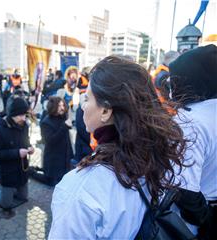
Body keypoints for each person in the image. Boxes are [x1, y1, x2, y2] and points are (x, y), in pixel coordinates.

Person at [48, 56, 188, 239]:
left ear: (105, 111)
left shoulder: (80, 188)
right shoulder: (149, 156)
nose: (83, 105)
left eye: (87, 98)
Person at [169, 44, 217, 238]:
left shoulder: (188, 122)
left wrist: (208, 222)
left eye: (175, 80)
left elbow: (183, 189)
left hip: (192, 225)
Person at [0, 96, 33, 218]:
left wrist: (30, 148)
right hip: (8, 172)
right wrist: (16, 153)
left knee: (23, 197)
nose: (23, 118)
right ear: (12, 115)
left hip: (22, 170)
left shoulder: (24, 126)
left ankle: (1, 187)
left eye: (24, 115)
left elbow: (26, 142)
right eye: (19, 115)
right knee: (6, 204)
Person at [29, 96, 73, 186]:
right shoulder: (46, 122)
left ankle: (38, 169)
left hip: (64, 155)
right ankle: (31, 172)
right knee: (50, 182)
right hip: (53, 157)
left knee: (64, 179)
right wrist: (64, 127)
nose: (62, 108)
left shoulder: (63, 117)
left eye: (63, 105)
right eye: (59, 106)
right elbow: (50, 141)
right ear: (53, 107)